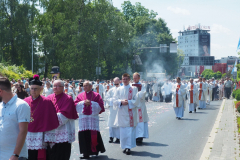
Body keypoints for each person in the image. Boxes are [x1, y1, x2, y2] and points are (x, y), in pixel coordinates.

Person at [24, 75, 59, 160]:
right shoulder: (25, 101)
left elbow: (51, 119)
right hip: (27, 133)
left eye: (35, 89)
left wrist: (48, 135)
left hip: (41, 134)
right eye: (31, 88)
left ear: (41, 89)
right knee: (28, 155)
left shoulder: (46, 102)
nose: (33, 91)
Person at [47, 80, 79, 160]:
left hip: (63, 130)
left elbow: (64, 115)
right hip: (50, 131)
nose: (55, 88)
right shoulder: (49, 98)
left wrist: (49, 120)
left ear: (62, 87)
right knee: (51, 154)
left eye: (57, 86)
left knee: (62, 154)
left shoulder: (67, 98)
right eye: (54, 86)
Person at [0, 77, 30, 160]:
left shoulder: (21, 105)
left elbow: (23, 131)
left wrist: (15, 155)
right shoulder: (0, 106)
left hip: (16, 157)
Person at [75, 81, 106, 159]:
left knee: (93, 133)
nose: (85, 87)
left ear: (91, 86)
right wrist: (83, 103)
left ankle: (94, 150)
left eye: (87, 85)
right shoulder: (80, 95)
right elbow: (75, 104)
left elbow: (101, 105)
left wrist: (91, 103)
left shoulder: (97, 95)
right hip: (83, 119)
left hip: (92, 118)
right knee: (83, 135)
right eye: (84, 86)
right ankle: (85, 153)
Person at [113, 73, 138, 155]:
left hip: (130, 112)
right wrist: (121, 102)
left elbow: (136, 100)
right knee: (123, 131)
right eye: (124, 79)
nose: (125, 80)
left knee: (129, 131)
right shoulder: (118, 89)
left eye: (126, 79)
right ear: (121, 80)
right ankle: (124, 146)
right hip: (121, 113)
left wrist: (129, 102)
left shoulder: (133, 89)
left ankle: (128, 147)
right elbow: (114, 100)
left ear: (129, 79)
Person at [132, 72, 149, 143]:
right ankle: (134, 136)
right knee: (134, 121)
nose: (135, 79)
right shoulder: (131, 85)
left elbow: (143, 93)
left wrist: (136, 95)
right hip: (133, 105)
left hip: (140, 106)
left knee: (140, 121)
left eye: (136, 78)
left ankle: (140, 136)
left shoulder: (142, 85)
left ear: (139, 78)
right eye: (134, 78)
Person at [105, 77, 121, 143]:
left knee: (118, 123)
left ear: (119, 82)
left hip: (119, 108)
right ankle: (111, 137)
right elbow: (107, 98)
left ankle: (118, 137)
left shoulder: (122, 89)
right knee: (111, 123)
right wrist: (113, 101)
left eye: (117, 84)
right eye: (115, 84)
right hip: (112, 108)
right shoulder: (111, 90)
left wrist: (118, 102)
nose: (116, 86)